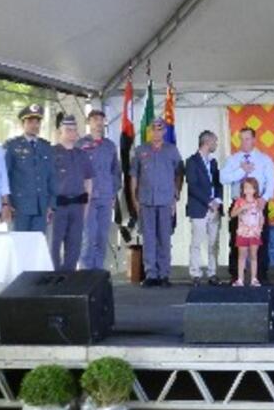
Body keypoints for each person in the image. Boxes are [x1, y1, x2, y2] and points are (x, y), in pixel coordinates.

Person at [130, 117, 183, 287]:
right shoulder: (140, 150)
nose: (156, 133)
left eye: (160, 129)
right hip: (146, 200)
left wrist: (176, 196)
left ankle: (164, 274)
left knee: (164, 238)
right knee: (149, 238)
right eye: (153, 129)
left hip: (166, 200)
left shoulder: (171, 150)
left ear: (164, 131)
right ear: (149, 131)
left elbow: (179, 173)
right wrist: (134, 199)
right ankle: (151, 274)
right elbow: (134, 176)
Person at [221, 128, 274, 284]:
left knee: (260, 240)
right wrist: (241, 170)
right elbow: (223, 178)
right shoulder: (233, 159)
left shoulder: (264, 159)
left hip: (258, 204)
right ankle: (236, 275)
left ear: (254, 140)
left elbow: (271, 182)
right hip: (239, 204)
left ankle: (260, 275)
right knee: (236, 240)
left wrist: (264, 199)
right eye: (241, 139)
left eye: (247, 139)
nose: (243, 142)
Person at [76, 109, 121, 270]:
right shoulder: (80, 145)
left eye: (101, 119)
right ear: (89, 122)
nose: (98, 122)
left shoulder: (110, 146)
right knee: (89, 237)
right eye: (95, 119)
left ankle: (98, 273)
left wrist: (113, 193)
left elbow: (116, 171)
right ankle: (86, 273)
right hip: (87, 199)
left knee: (102, 237)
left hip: (105, 197)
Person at [50, 116, 94, 270]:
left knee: (74, 245)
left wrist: (86, 207)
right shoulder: (51, 153)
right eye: (68, 130)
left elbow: (88, 182)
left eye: (74, 130)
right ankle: (54, 276)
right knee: (54, 245)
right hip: (58, 206)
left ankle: (69, 276)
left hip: (77, 206)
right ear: (59, 132)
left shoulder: (82, 155)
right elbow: (46, 182)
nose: (72, 133)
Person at [5, 103, 55, 233]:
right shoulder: (12, 146)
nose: (34, 125)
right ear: (23, 124)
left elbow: (52, 177)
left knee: (38, 242)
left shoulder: (46, 147)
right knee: (19, 242)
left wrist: (51, 204)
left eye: (37, 122)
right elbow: (5, 176)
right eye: (30, 122)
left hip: (41, 206)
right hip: (20, 206)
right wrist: (7, 203)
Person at [185, 130, 224, 286]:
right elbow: (193, 186)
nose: (216, 144)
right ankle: (195, 273)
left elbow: (218, 183)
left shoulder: (213, 162)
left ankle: (212, 272)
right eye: (214, 141)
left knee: (214, 242)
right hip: (199, 207)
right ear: (207, 142)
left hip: (215, 208)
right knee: (197, 242)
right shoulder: (192, 161)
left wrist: (218, 200)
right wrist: (208, 202)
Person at [230, 177, 265, 287]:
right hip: (243, 233)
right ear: (242, 189)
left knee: (254, 256)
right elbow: (232, 214)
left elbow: (261, 216)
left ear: (255, 190)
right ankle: (240, 279)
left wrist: (260, 228)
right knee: (242, 256)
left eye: (251, 188)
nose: (248, 190)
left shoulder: (258, 202)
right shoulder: (240, 201)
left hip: (254, 233)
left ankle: (254, 279)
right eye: (246, 188)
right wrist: (241, 208)